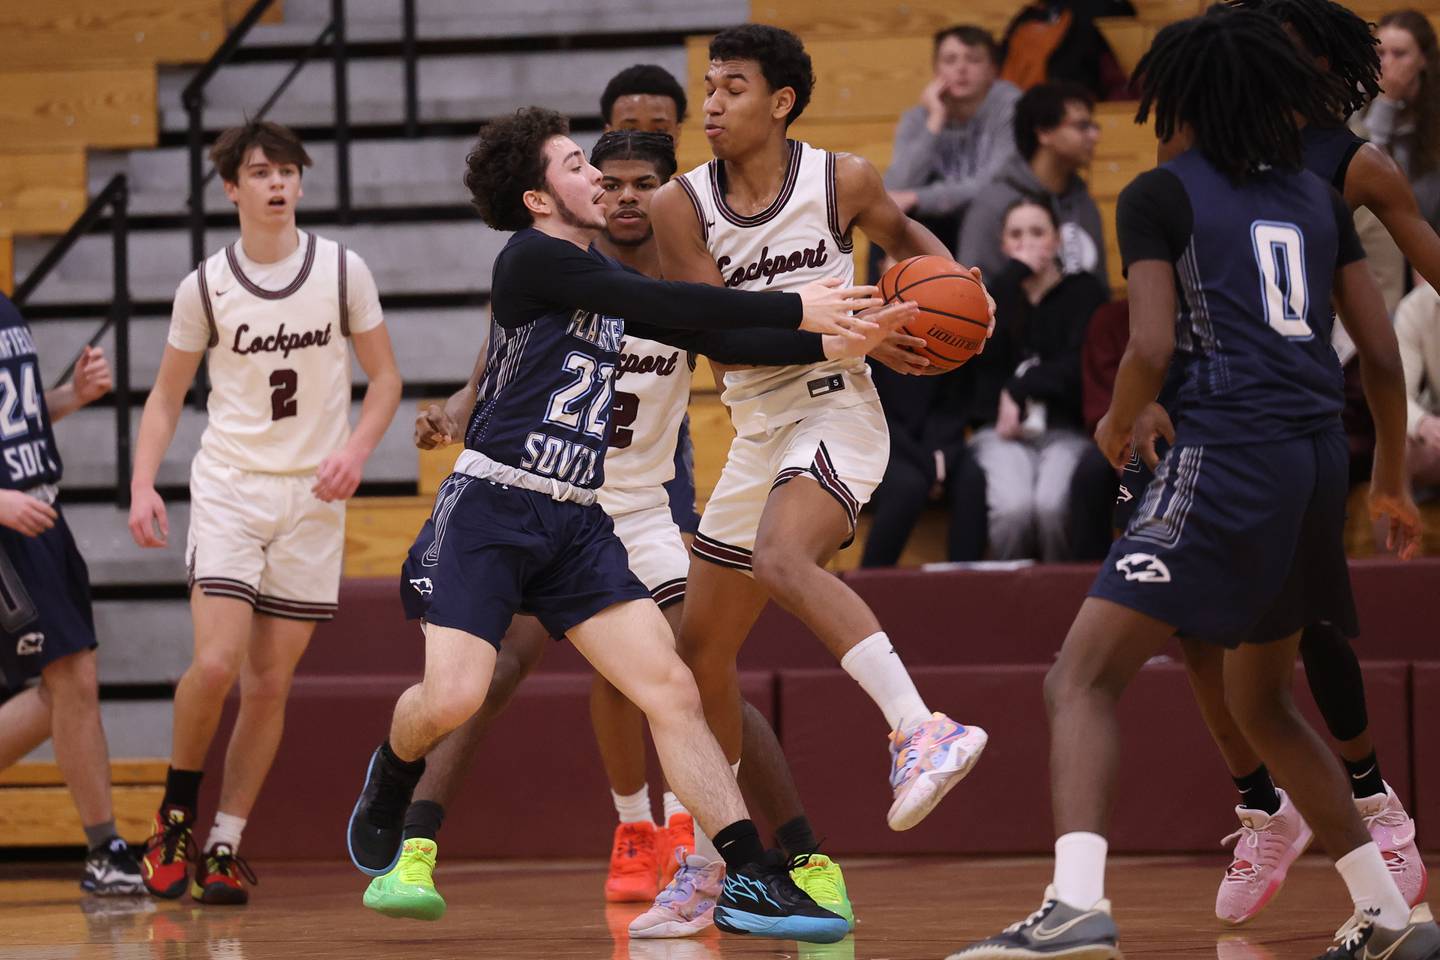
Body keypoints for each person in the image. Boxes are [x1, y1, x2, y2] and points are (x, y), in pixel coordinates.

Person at [343, 105, 910, 945]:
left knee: (671, 688)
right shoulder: (535, 260)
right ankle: (393, 769)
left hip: (578, 521)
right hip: (492, 510)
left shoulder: (599, 280)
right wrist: (800, 307)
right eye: (576, 166)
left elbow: (701, 321)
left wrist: (843, 339)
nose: (597, 181)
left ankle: (747, 875)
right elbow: (656, 297)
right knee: (456, 694)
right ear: (540, 199)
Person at [948, 10, 1439, 959]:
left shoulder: (1159, 193)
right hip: (1314, 462)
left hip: (1227, 452)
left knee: (1080, 679)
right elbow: (1379, 355)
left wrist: (1120, 419)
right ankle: (1386, 915)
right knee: (1264, 700)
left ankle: (1077, 905)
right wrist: (1390, 482)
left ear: (1189, 102)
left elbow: (1152, 345)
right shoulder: (1314, 192)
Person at [645, 27, 990, 921]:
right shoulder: (682, 207)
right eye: (708, 89)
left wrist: (947, 306)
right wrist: (834, 322)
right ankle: (707, 862)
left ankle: (922, 728)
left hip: (837, 406)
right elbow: (714, 330)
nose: (711, 105)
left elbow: (924, 255)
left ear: (782, 102)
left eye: (732, 89)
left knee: (781, 559)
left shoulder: (844, 180)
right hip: (757, 425)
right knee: (697, 659)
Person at [1171, 0, 1440, 925]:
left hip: (1293, 410)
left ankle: (1376, 806)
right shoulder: (1192, 146)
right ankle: (1261, 808)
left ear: (1323, 65)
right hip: (1194, 407)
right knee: (1189, 623)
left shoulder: (1349, 163)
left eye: (1277, 49)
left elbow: (1401, 314)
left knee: (1308, 624)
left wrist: (1392, 472)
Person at [128, 120, 403, 905]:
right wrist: (145, 483)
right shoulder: (205, 286)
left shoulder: (343, 269)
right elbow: (166, 396)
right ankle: (175, 817)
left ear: (301, 184)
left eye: (288, 171)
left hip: (313, 497)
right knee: (216, 665)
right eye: (261, 172)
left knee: (270, 685)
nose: (278, 183)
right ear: (232, 188)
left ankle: (225, 842)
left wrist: (355, 451)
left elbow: (384, 379)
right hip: (231, 486)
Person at [0, 294, 142, 895]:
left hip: (41, 516)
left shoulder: (7, 309)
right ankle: (104, 847)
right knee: (72, 680)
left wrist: (72, 396)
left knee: (71, 685)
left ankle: (105, 848)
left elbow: (19, 419)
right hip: (9, 526)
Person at [965, 197, 1107, 561]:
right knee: (1014, 510)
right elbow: (980, 363)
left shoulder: (1084, 292)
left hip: (1064, 431)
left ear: (1057, 239)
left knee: (1051, 508)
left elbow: (1078, 365)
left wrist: (1019, 387)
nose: (1026, 243)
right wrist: (1013, 276)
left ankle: (1059, 608)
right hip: (1000, 435)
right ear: (1003, 244)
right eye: (1016, 234)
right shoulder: (992, 296)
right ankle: (1007, 606)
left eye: (1037, 232)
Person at [957, 81, 1109, 295]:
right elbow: (972, 292)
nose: (1094, 136)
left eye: (1093, 127)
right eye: (1082, 126)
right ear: (1044, 133)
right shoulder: (992, 204)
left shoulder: (1083, 201)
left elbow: (1100, 288)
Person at [884, 25, 1021, 254]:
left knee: (981, 211)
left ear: (993, 70)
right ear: (936, 70)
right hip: (940, 221)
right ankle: (882, 290)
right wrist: (935, 120)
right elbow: (897, 187)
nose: (961, 68)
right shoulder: (919, 117)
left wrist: (920, 198)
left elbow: (993, 183)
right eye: (950, 60)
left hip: (995, 218)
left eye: (974, 59)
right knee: (891, 220)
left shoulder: (1009, 107)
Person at [859, 361, 988, 566]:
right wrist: (929, 465)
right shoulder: (874, 342)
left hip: (939, 445)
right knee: (908, 487)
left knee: (972, 479)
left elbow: (955, 406)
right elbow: (870, 413)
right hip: (882, 445)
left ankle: (964, 584)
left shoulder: (949, 338)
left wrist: (939, 458)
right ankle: (868, 586)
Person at [1396, 280, 1440, 488]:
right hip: (1435, 423)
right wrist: (1422, 423)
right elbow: (1396, 398)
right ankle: (1396, 519)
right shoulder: (1415, 307)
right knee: (1394, 444)